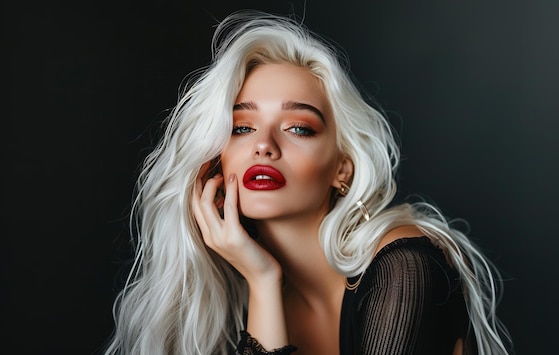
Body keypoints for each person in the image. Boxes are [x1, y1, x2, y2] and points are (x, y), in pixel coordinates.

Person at [104, 10, 512, 355]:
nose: (263, 145)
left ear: (343, 169)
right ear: (215, 161)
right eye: (242, 127)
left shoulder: (405, 268)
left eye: (298, 128)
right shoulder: (235, 299)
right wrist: (263, 281)